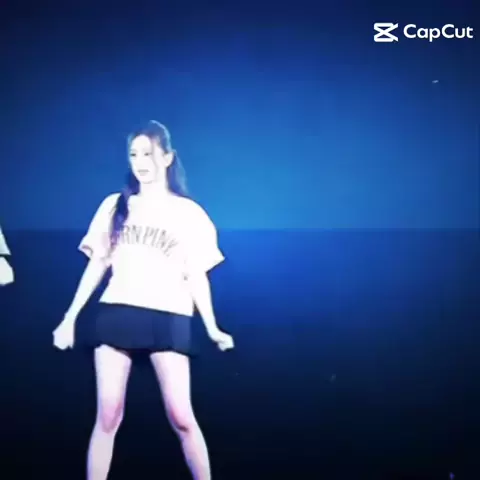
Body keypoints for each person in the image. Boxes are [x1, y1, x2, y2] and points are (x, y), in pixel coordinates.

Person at [52, 120, 234, 480]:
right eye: (134, 154)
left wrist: (213, 328)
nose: (140, 162)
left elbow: (197, 275)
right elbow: (97, 264)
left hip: (169, 314)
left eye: (148, 154)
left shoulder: (189, 213)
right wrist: (69, 317)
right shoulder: (115, 205)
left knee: (182, 416)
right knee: (108, 415)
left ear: (167, 157)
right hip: (117, 310)